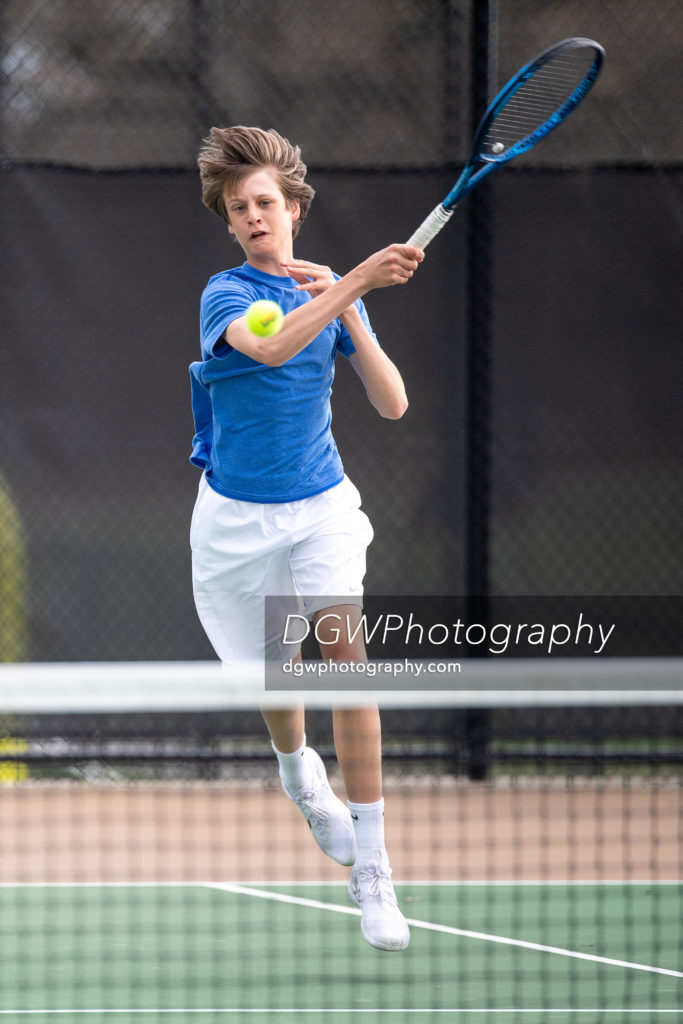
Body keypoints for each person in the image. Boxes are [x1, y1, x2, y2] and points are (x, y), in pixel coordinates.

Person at [190, 125, 423, 951]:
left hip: (321, 505)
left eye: (265, 203)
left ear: (292, 209)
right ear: (229, 222)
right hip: (234, 524)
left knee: (345, 658)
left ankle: (373, 865)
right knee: (275, 679)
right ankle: (298, 774)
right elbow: (274, 343)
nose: (253, 216)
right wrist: (354, 279)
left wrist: (353, 305)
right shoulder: (224, 296)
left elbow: (391, 402)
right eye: (238, 207)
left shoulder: (330, 290)